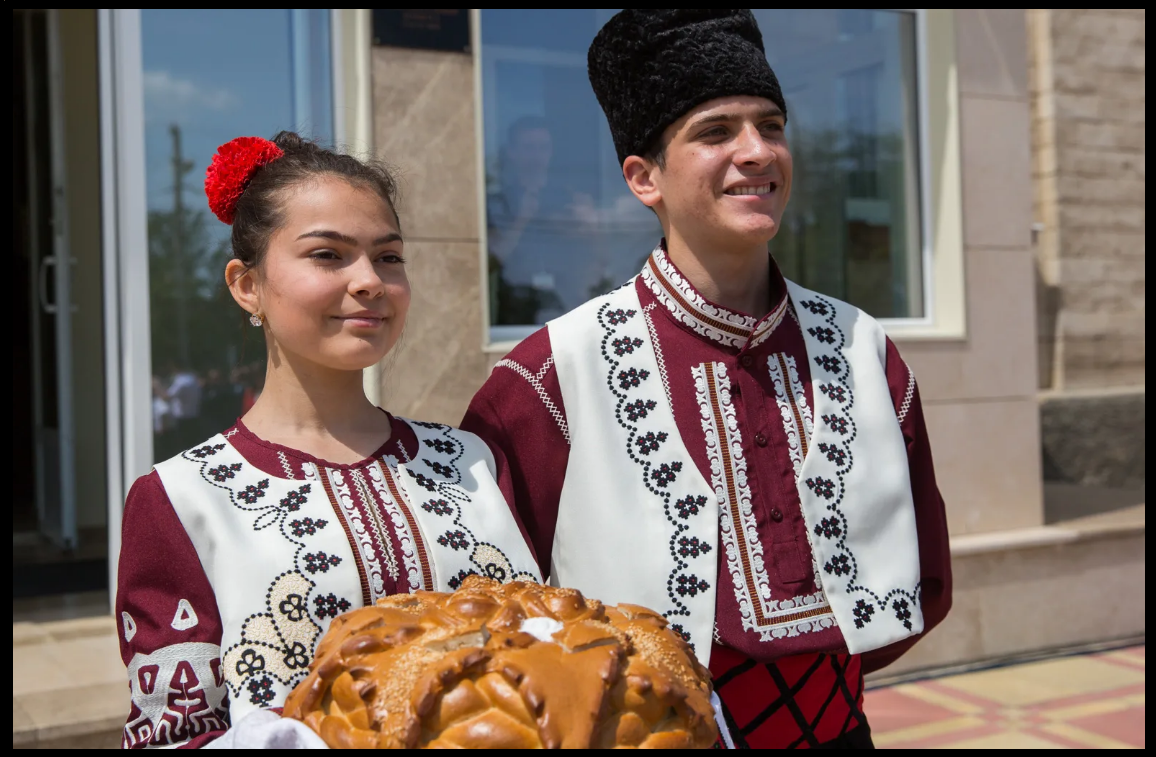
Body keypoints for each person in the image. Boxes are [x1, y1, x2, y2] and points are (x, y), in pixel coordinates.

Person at [461, 10, 951, 749]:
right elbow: (489, 617)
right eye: (716, 131)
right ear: (642, 177)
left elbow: (922, 573)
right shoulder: (550, 375)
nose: (756, 151)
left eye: (772, 125)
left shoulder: (862, 349)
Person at [115, 132, 540, 748]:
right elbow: (170, 736)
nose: (368, 280)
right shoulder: (184, 500)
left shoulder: (471, 462)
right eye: (327, 255)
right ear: (246, 285)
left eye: (388, 258)